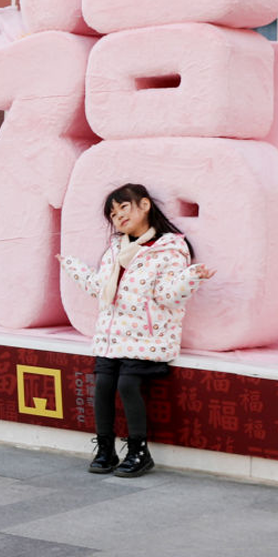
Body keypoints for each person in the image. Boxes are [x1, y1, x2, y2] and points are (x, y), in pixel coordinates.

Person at [57, 183, 215, 478]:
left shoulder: (170, 247)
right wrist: (73, 267)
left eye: (123, 207)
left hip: (147, 338)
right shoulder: (116, 249)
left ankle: (139, 452)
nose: (118, 216)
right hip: (110, 336)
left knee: (127, 386)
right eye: (113, 214)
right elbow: (100, 289)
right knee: (103, 386)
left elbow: (168, 295)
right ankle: (105, 449)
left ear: (145, 205)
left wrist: (192, 276)